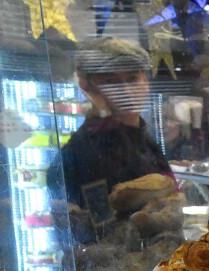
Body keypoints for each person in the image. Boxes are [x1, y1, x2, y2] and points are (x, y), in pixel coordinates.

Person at [48, 37, 174, 212]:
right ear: (88, 88)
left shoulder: (140, 136)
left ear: (145, 81)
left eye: (132, 79)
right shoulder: (87, 150)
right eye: (111, 82)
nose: (127, 92)